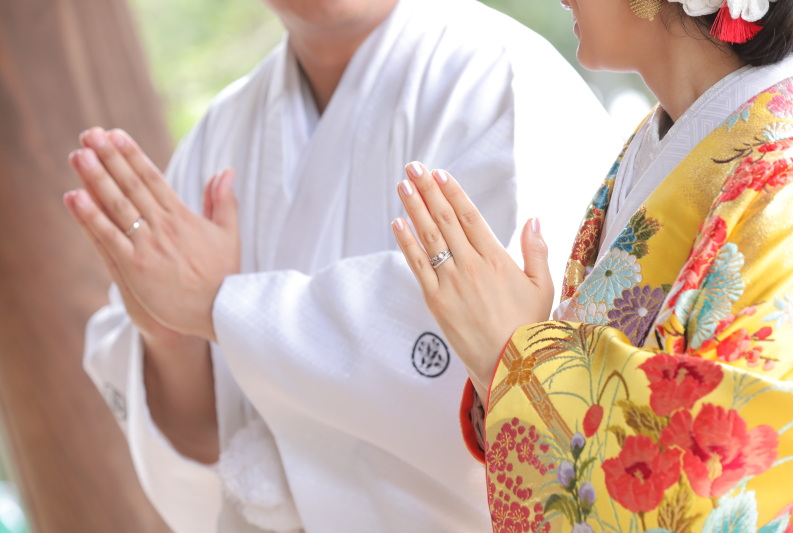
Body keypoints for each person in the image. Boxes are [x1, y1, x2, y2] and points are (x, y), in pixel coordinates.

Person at [62, 0, 619, 531]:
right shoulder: (220, 132)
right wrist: (170, 340)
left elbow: (506, 375)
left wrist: (220, 307)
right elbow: (204, 480)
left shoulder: (503, 79)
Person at [392, 0, 793, 531]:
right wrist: (503, 360)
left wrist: (518, 360)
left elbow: (734, 485)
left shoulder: (784, 188)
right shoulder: (658, 139)